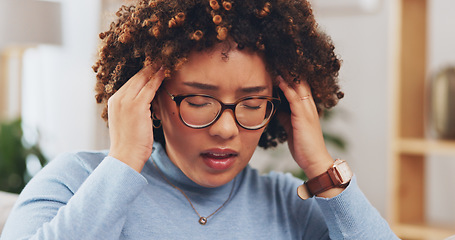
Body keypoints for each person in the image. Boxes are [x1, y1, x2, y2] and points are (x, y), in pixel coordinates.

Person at [1, 0, 399, 239]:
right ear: (152, 100)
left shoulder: (291, 205)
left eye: (252, 102)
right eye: (199, 100)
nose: (226, 128)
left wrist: (321, 169)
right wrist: (122, 163)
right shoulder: (73, 182)